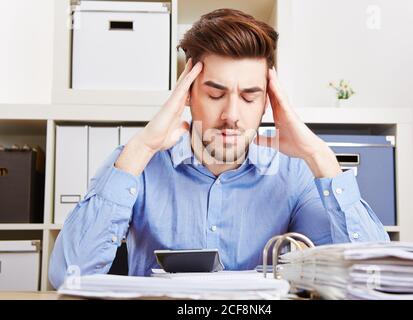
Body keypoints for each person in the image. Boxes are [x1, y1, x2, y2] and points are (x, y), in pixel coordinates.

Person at [49, 8, 389, 289]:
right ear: (187, 95)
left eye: (249, 96)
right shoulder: (136, 162)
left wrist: (320, 157)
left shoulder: (293, 172)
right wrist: (142, 146)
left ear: (267, 102)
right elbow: (68, 276)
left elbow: (372, 280)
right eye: (214, 95)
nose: (231, 116)